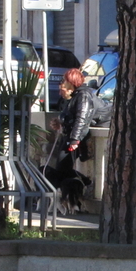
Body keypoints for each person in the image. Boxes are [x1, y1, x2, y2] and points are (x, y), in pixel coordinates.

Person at [44, 69, 95, 213]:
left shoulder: (83, 96)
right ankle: (79, 186)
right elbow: (68, 117)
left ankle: (85, 182)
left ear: (72, 82)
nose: (62, 83)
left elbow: (81, 119)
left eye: (65, 80)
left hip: (75, 137)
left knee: (62, 168)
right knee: (62, 168)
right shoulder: (74, 97)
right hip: (69, 135)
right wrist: (59, 123)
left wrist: (74, 139)